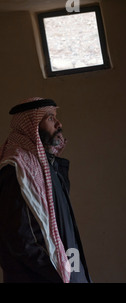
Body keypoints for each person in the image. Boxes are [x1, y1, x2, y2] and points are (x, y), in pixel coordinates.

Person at [0, 97, 91, 283]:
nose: (59, 124)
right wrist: (57, 274)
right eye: (50, 118)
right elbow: (21, 239)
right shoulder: (16, 170)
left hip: (68, 268)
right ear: (31, 126)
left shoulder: (49, 167)